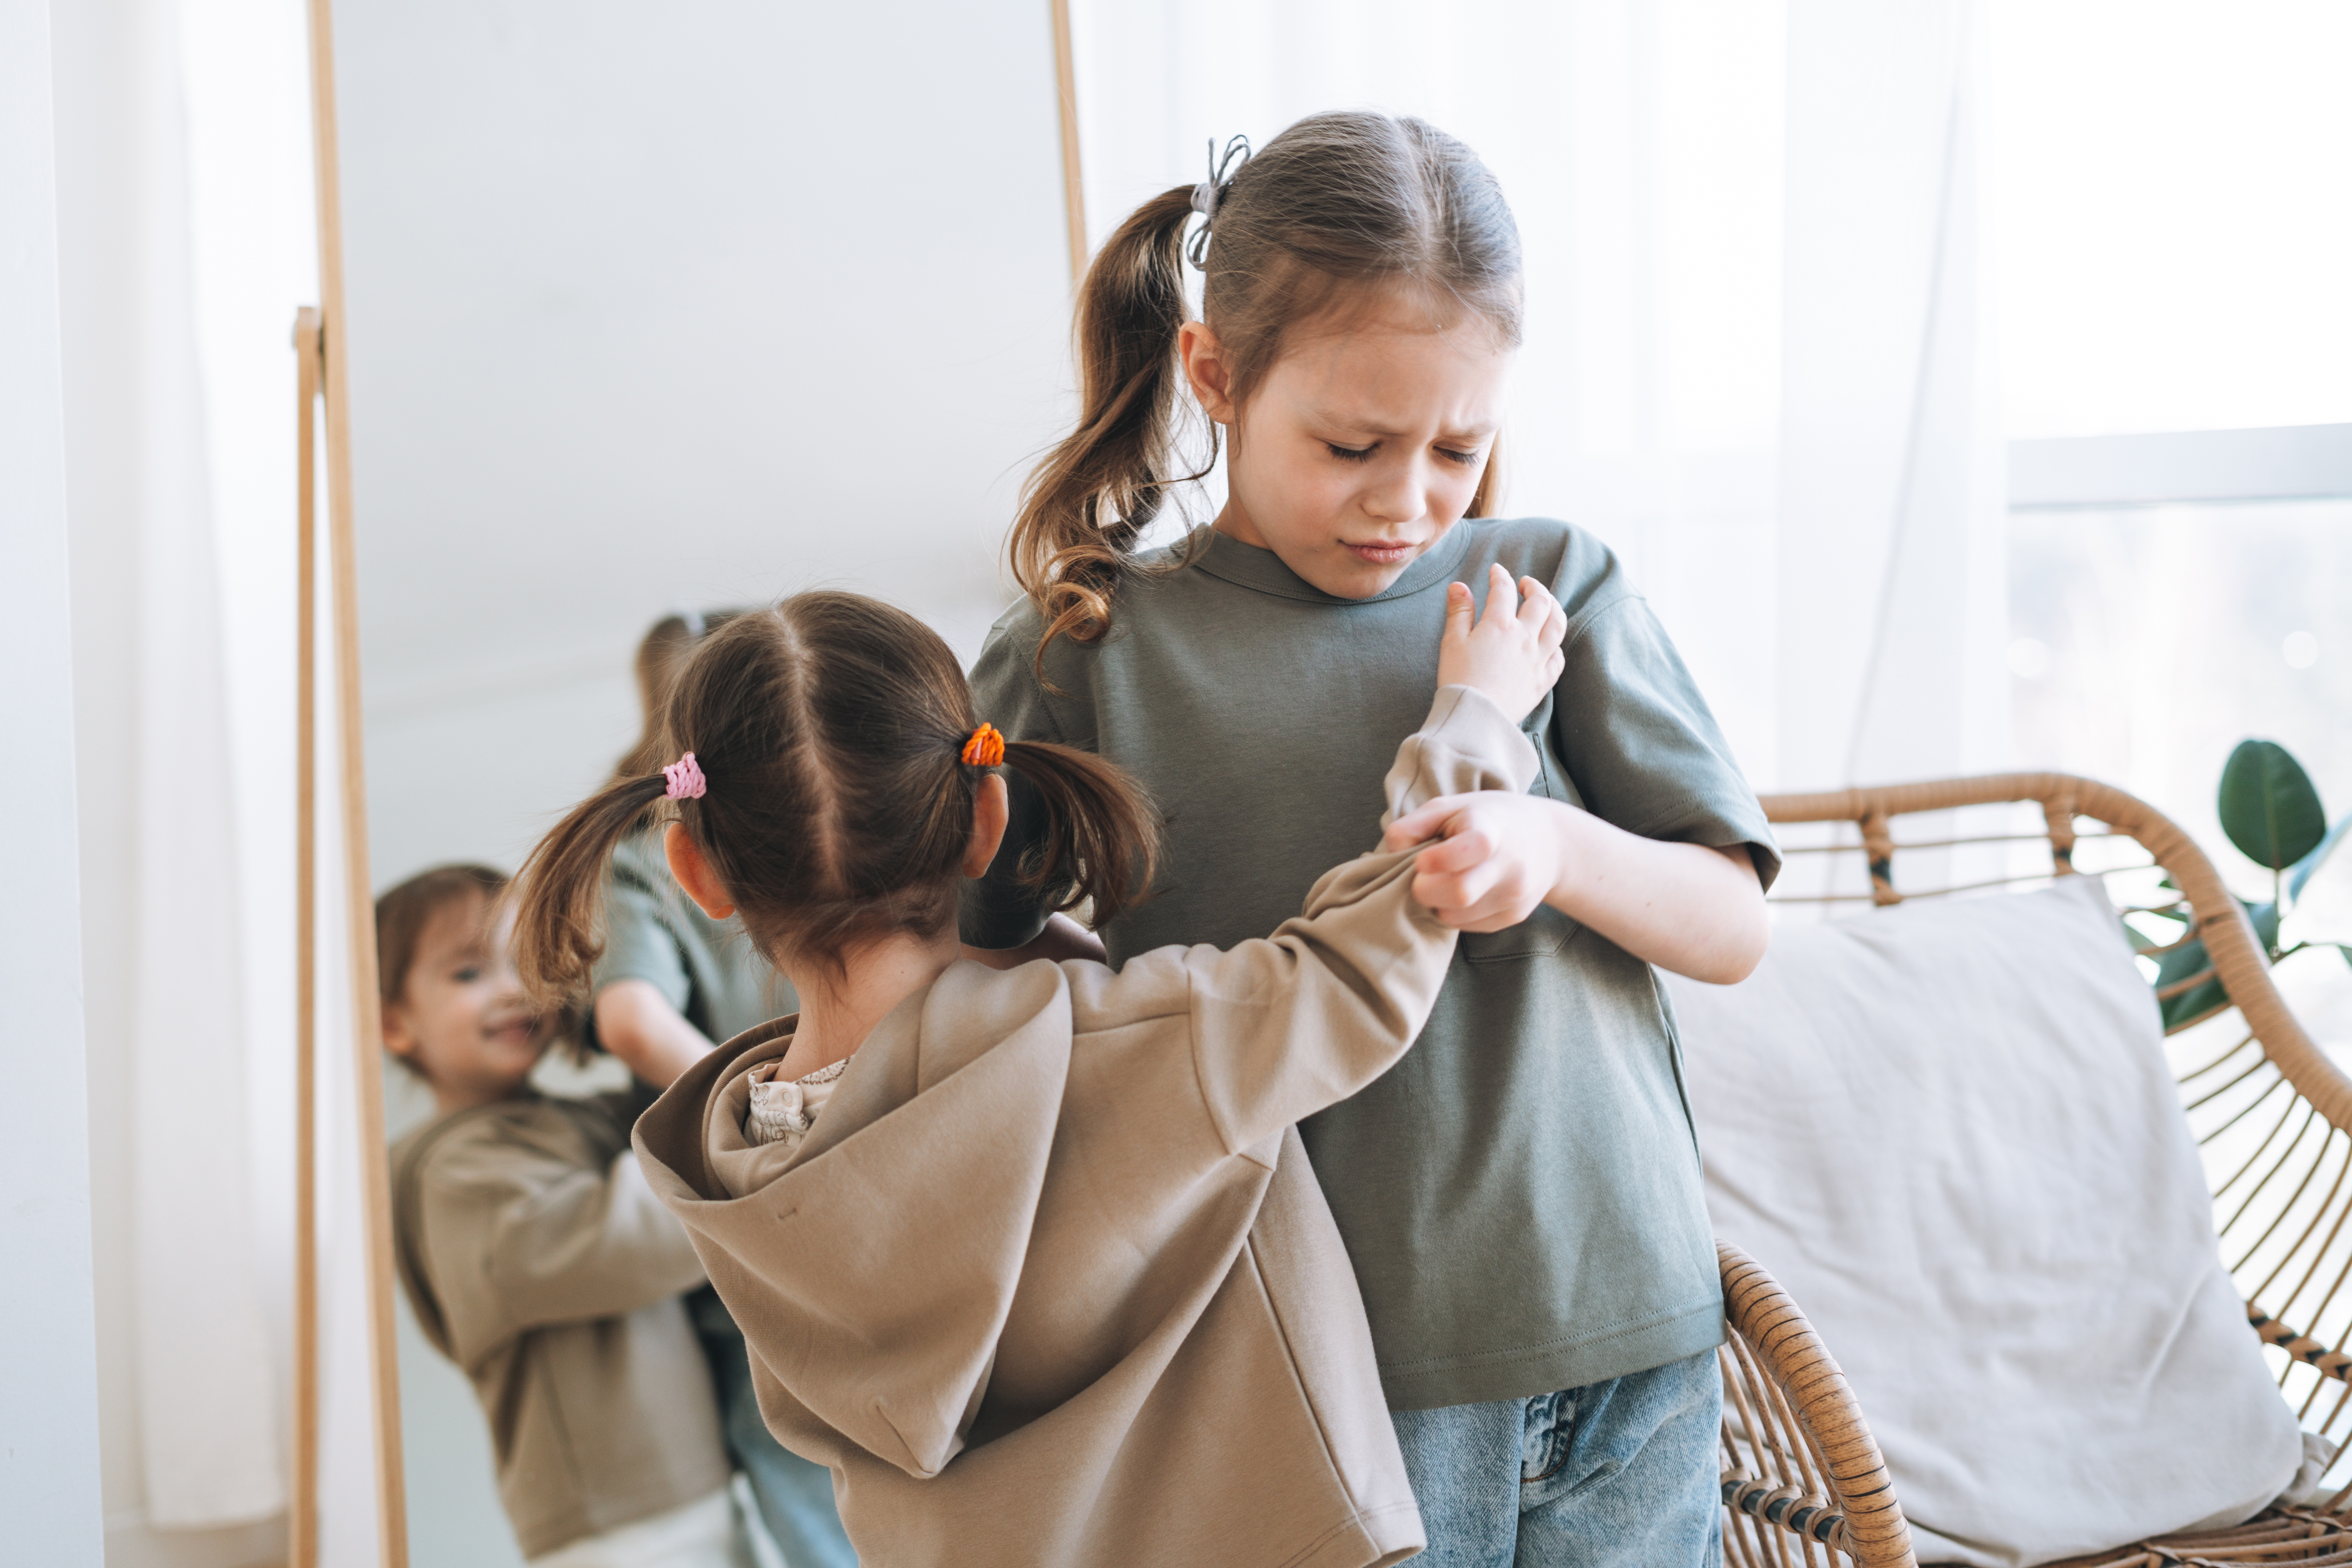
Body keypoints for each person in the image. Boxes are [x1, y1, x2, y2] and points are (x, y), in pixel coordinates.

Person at [962, 111, 1777, 1566]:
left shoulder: (1549, 590)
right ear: (1214, 373)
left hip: (1632, 1332)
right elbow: (973, 1005)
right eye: (1353, 445)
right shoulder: (1088, 655)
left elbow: (1733, 924)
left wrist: (1554, 849)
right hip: (1319, 1378)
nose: (1409, 501)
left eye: (1461, 446)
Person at [507, 582, 1565, 1567]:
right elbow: (1354, 977)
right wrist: (1473, 722)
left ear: (698, 876)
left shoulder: (730, 1178)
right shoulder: (1127, 1042)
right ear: (985, 815)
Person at [379, 864, 750, 1567]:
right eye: (467, 975)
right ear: (394, 1024)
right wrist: (745, 1148)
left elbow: (651, 1124)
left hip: (678, 1484)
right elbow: (620, 1245)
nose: (513, 989)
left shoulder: (561, 1122)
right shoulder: (454, 1175)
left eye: (525, 961)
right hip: (610, 1520)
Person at [589, 611, 855, 1568]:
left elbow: (631, 1018)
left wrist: (763, 1118)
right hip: (876, 1166)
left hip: (756, 1219)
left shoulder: (642, 849)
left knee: (805, 1482)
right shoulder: (823, 804)